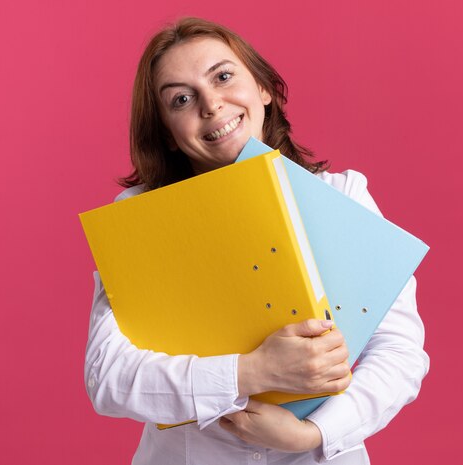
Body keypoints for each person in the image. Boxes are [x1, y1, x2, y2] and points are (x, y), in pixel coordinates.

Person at [84, 17, 429, 465]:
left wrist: (313, 433)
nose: (211, 105)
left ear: (263, 88)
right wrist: (250, 372)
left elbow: (400, 353)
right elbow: (109, 377)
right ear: (167, 132)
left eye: (223, 76)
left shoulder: (343, 196)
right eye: (182, 99)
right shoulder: (138, 220)